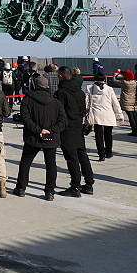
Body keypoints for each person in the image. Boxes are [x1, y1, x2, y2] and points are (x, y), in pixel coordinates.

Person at [13, 76, 67, 200]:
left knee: (26, 162)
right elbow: (63, 121)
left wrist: (39, 131)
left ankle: (21, 187)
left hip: (33, 137)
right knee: (51, 164)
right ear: (47, 86)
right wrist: (50, 131)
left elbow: (26, 119)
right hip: (50, 137)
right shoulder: (56, 102)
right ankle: (50, 191)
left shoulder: (27, 100)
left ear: (34, 86)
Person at [54, 66, 94, 197]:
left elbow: (59, 112)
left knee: (71, 157)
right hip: (78, 125)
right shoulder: (79, 91)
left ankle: (75, 186)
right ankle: (89, 184)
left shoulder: (61, 92)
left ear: (60, 76)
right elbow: (83, 110)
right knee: (82, 154)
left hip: (67, 127)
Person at [85, 74, 124, 162]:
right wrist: (119, 115)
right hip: (108, 114)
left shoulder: (89, 88)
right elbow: (115, 103)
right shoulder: (109, 89)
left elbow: (86, 102)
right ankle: (109, 152)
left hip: (96, 114)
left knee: (98, 136)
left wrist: (84, 114)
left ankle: (101, 155)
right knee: (108, 135)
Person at [112, 70, 137, 136]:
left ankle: (134, 131)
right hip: (134, 101)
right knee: (135, 116)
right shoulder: (135, 82)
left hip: (126, 101)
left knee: (130, 117)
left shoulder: (124, 82)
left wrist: (116, 73)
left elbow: (114, 80)